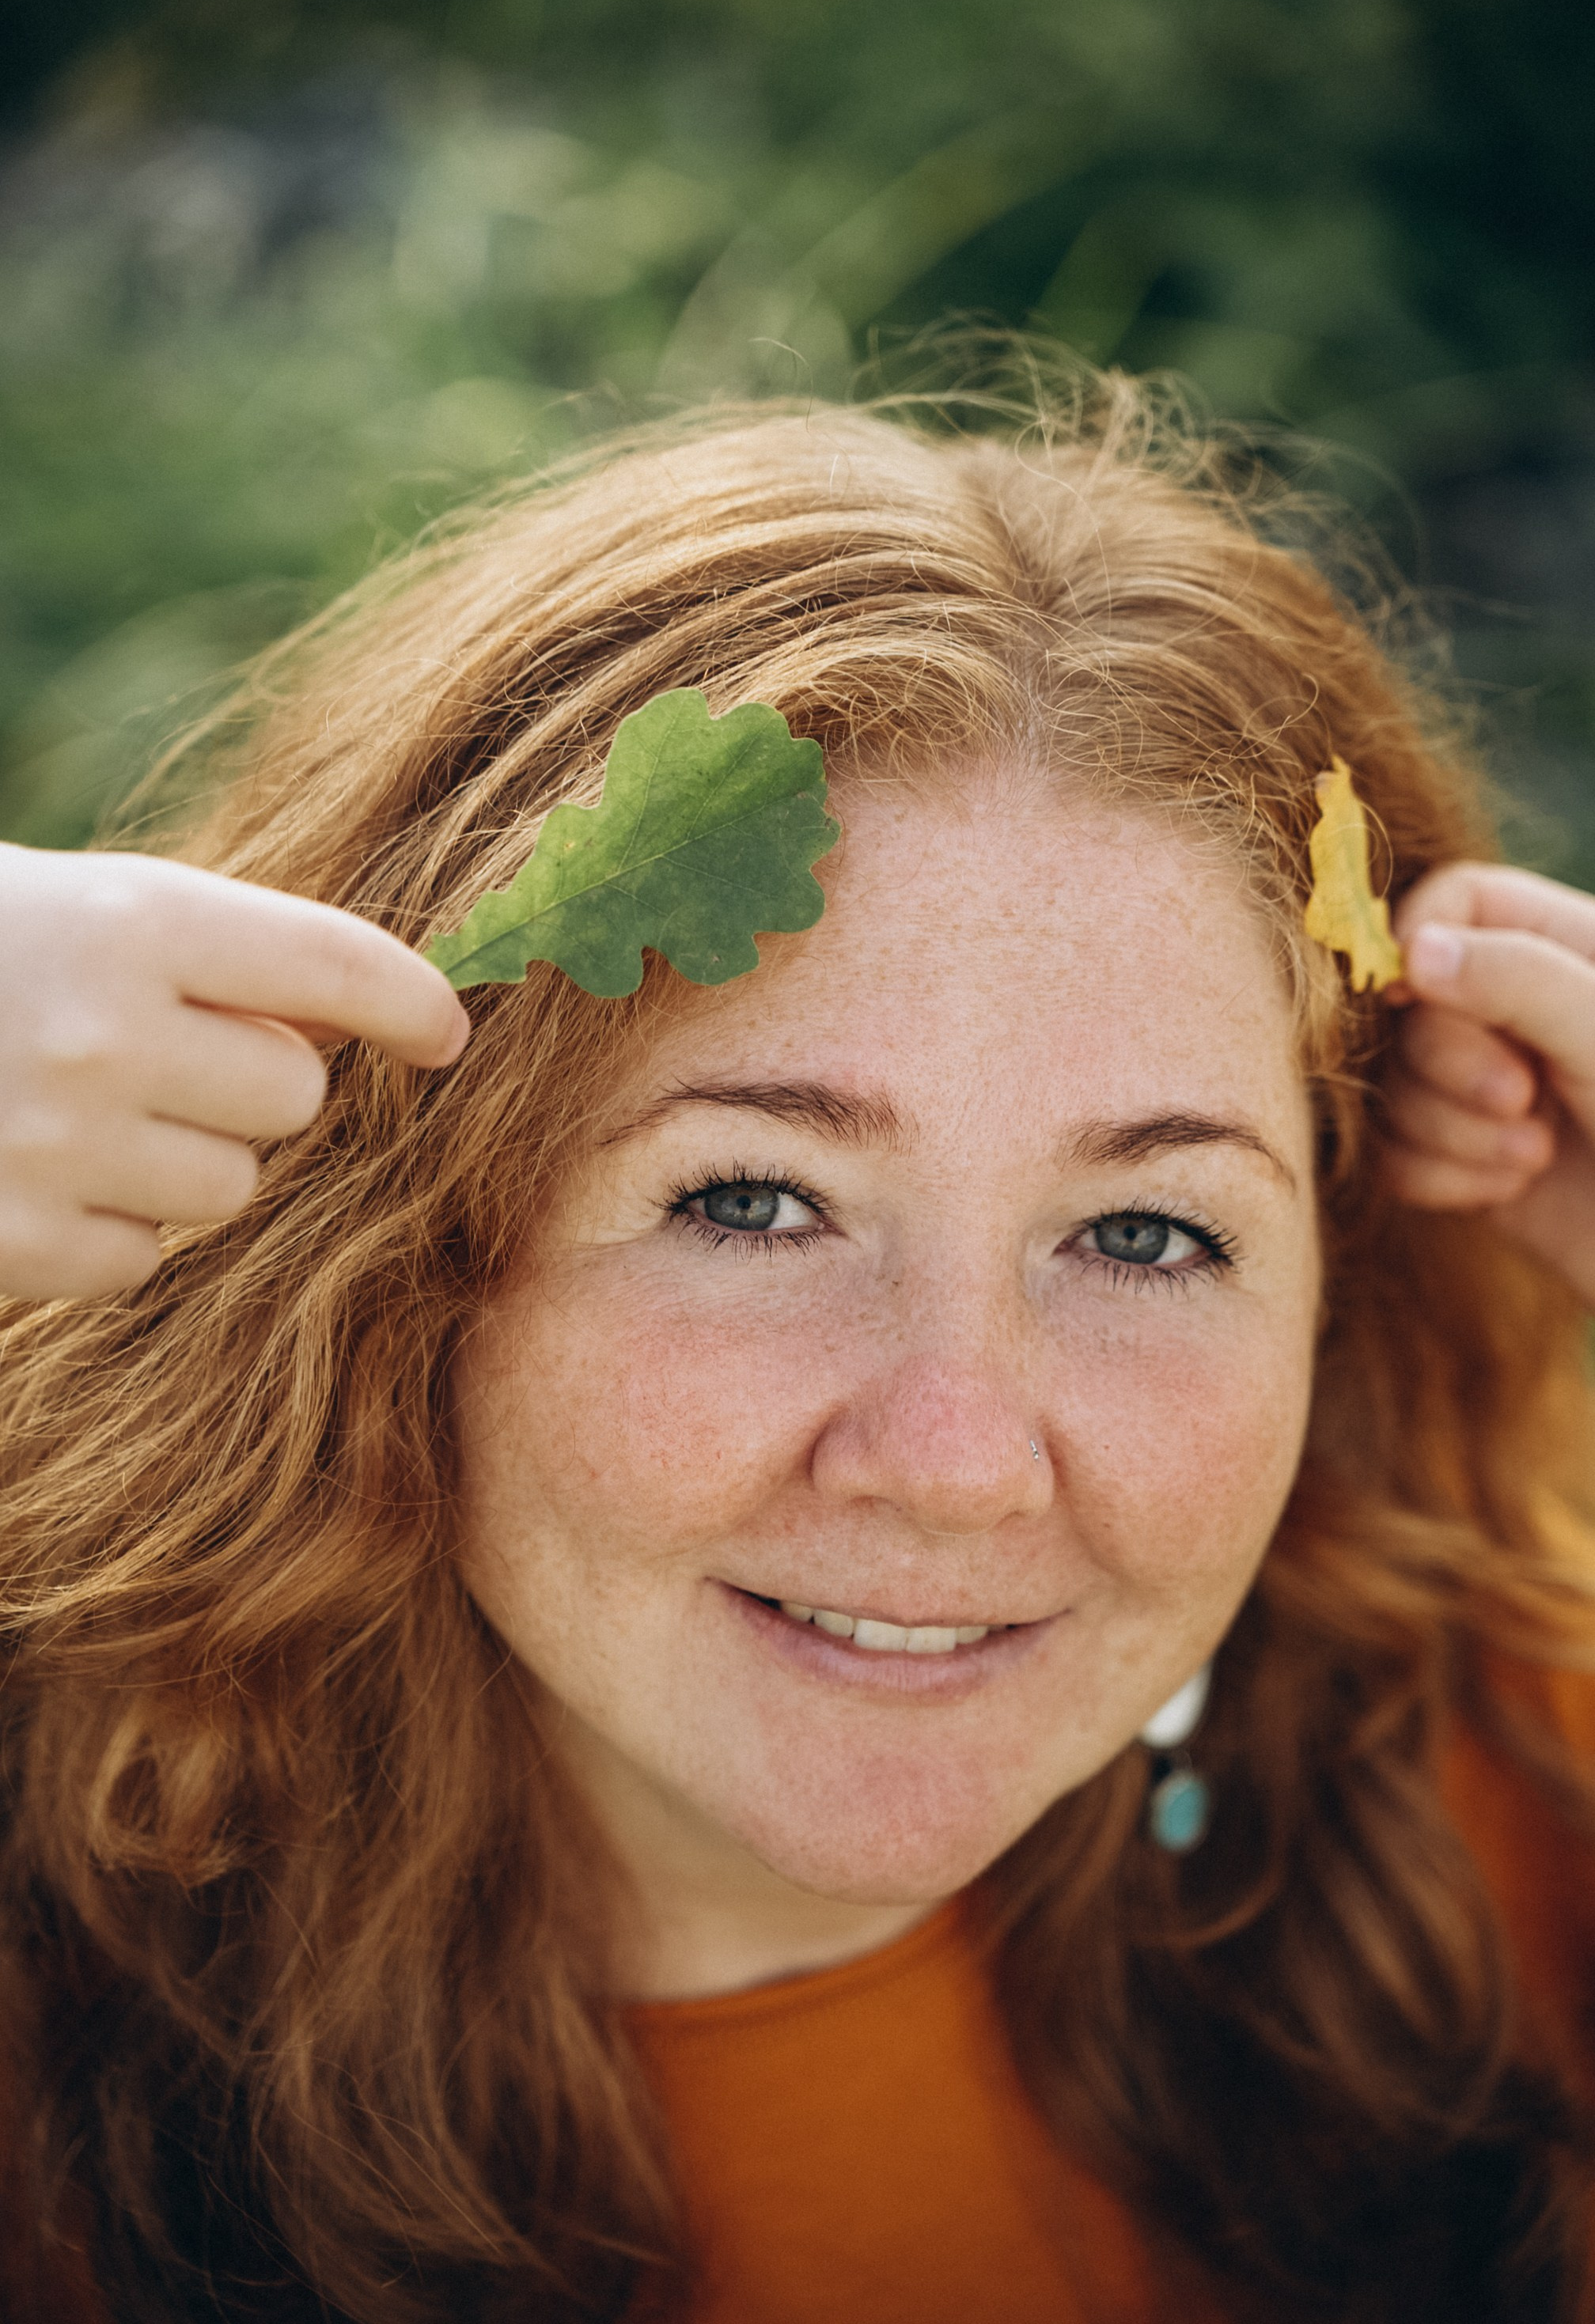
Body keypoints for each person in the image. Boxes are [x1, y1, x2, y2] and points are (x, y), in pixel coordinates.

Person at [1, 373, 1593, 2324]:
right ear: (391, 1250)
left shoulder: (1531, 1802)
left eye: (1147, 1233)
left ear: (1336, 1290)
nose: (953, 1460)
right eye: (752, 1202)